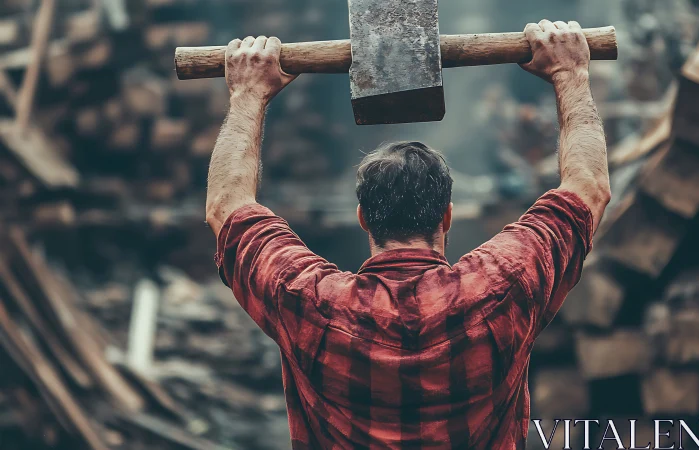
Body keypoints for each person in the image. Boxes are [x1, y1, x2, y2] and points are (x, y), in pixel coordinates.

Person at [205, 20, 610, 449]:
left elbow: (226, 206)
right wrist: (571, 74)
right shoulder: (503, 283)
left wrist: (248, 94)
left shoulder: (308, 300)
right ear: (447, 216)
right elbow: (588, 188)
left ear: (363, 217)